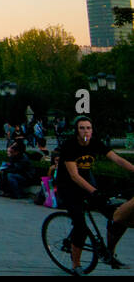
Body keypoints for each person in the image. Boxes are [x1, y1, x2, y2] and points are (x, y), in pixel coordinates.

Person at [56, 115, 134, 273]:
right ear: (76, 131)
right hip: (68, 187)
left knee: (118, 217)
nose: (86, 131)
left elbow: (118, 160)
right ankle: (76, 264)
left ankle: (109, 254)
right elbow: (74, 176)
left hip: (86, 183)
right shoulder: (69, 146)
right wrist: (94, 192)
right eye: (82, 128)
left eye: (89, 128)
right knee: (80, 226)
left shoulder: (95, 143)